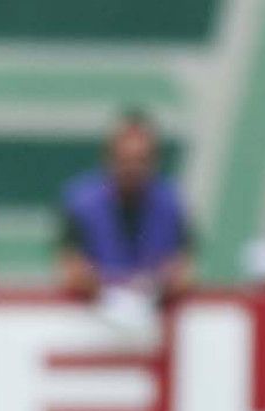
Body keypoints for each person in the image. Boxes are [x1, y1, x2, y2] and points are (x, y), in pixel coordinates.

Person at [59, 111, 191, 299]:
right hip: (94, 312)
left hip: (154, 309)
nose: (132, 169)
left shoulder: (171, 203)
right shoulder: (81, 203)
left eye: (141, 160)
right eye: (125, 160)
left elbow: (184, 269)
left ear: (155, 162)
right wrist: (110, 287)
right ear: (108, 158)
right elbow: (71, 268)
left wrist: (161, 283)